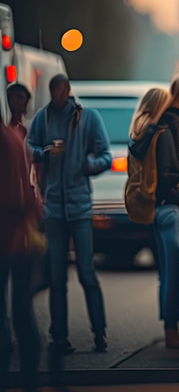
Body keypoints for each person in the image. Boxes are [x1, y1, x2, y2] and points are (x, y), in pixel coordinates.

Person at [26, 73, 112, 356]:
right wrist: (45, 152)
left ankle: (100, 331)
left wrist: (86, 164)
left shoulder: (88, 118)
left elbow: (105, 157)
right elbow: (30, 148)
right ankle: (59, 336)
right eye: (53, 92)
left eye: (60, 91)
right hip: (54, 208)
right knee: (57, 276)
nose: (57, 96)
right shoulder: (43, 118)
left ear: (68, 91)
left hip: (79, 206)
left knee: (87, 273)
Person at [128, 85, 179, 350]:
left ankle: (169, 329)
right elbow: (169, 174)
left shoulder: (139, 133)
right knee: (173, 274)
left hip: (151, 209)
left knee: (164, 274)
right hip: (168, 209)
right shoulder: (163, 133)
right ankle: (171, 331)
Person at [0, 92, 43, 392]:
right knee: (22, 310)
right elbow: (26, 194)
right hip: (21, 236)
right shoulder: (15, 137)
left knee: (6, 312)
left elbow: (13, 196)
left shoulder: (7, 139)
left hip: (7, 235)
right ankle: (30, 385)